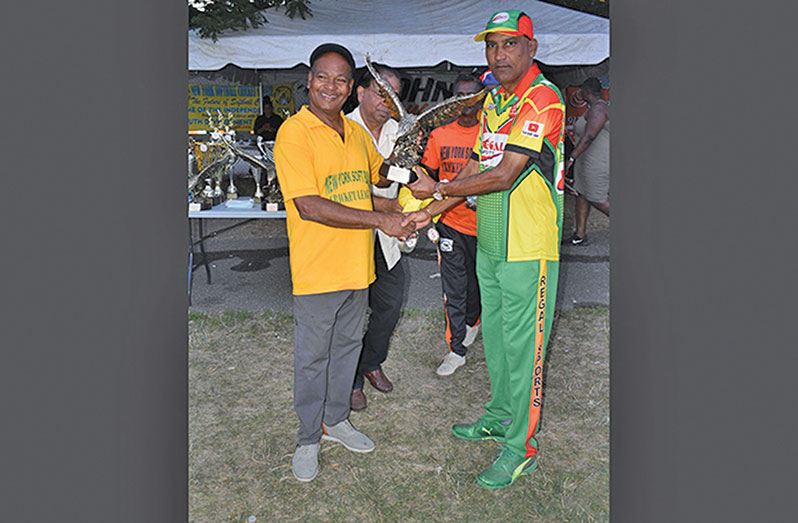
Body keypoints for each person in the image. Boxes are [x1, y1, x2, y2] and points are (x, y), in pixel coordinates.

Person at [407, 10, 566, 489]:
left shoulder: (542, 99)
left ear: (530, 49)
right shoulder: (495, 100)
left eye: (509, 44)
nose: (498, 54)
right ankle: (498, 416)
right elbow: (475, 165)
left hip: (528, 247)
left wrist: (435, 190)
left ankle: (522, 449)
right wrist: (427, 211)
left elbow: (502, 174)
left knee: (525, 350)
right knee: (495, 342)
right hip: (491, 242)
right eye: (491, 46)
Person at [273, 43, 418, 483]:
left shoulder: (355, 134)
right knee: (313, 358)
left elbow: (378, 176)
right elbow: (310, 206)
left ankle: (335, 421)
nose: (330, 86)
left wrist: (415, 178)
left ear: (351, 87)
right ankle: (307, 437)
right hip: (318, 271)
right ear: (310, 80)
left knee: (346, 351)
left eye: (340, 79)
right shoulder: (294, 133)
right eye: (322, 77)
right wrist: (383, 219)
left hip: (358, 268)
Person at [345, 64, 406, 411]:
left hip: (387, 237)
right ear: (360, 92)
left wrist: (418, 203)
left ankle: (370, 362)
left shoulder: (399, 130)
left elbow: (409, 176)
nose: (388, 101)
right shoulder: (342, 128)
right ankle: (351, 380)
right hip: (350, 236)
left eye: (394, 95)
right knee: (352, 314)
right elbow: (335, 196)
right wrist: (390, 206)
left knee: (389, 305)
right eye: (381, 92)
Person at [419, 73, 483, 377]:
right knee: (454, 289)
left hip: (488, 226)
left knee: (479, 287)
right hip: (451, 224)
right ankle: (456, 350)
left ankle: (474, 321)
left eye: (471, 97)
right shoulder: (440, 135)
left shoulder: (492, 133)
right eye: (459, 97)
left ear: (481, 97)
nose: (465, 104)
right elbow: (427, 178)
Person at [563, 77, 610, 246]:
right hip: (586, 159)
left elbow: (589, 136)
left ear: (586, 92)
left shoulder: (599, 108)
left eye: (582, 91)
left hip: (597, 162)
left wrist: (571, 157)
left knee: (596, 198)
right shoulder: (594, 107)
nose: (580, 93)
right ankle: (580, 235)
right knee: (581, 195)